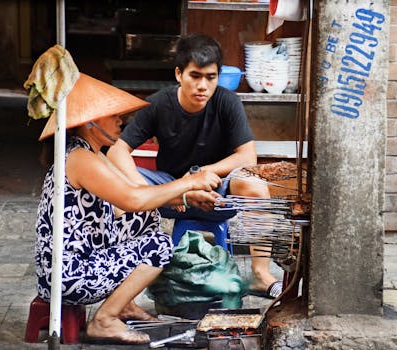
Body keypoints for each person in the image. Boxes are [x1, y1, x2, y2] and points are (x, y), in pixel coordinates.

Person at [33, 73, 222, 344]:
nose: (121, 121)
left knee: (146, 219)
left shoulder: (92, 152)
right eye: (113, 116)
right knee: (158, 246)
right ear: (90, 122)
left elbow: (139, 198)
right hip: (66, 276)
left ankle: (124, 305)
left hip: (80, 258)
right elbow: (133, 199)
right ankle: (104, 320)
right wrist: (188, 182)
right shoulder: (79, 158)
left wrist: (186, 197)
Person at [107, 33, 282, 298]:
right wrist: (149, 189)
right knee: (114, 184)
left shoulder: (227, 102)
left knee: (254, 185)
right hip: (168, 194)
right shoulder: (157, 104)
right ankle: (125, 283)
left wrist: (205, 173)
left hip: (216, 194)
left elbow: (247, 157)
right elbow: (117, 150)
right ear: (179, 74)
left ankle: (261, 275)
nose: (203, 86)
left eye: (210, 78)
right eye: (195, 76)